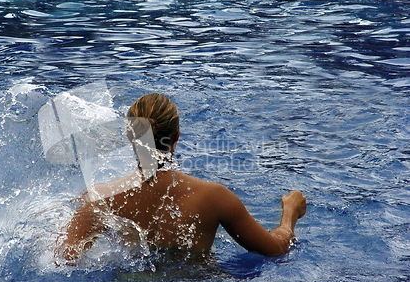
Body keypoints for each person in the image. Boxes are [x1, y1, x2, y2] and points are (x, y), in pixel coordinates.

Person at [62, 93, 306, 261]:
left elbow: (64, 262)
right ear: (176, 136)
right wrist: (290, 213)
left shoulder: (99, 200)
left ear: (129, 138)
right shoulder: (215, 198)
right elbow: (275, 250)